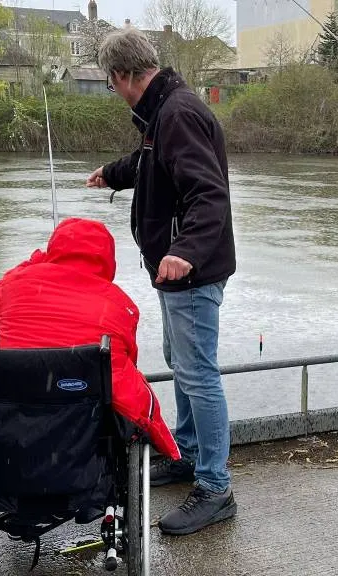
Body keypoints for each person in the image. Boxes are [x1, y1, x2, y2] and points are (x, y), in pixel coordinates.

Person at [86, 28, 236, 536]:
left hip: (191, 271)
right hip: (178, 271)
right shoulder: (163, 112)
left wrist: (183, 252)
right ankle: (188, 455)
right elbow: (154, 166)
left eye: (112, 84)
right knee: (182, 363)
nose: (115, 91)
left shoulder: (177, 113)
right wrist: (112, 173)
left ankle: (215, 488)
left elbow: (208, 195)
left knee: (199, 374)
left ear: (123, 75)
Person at [0, 217, 180, 461]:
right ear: (107, 258)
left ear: (54, 249)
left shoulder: (15, 285)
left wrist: (35, 263)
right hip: (82, 431)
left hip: (9, 421)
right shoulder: (119, 304)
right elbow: (127, 360)